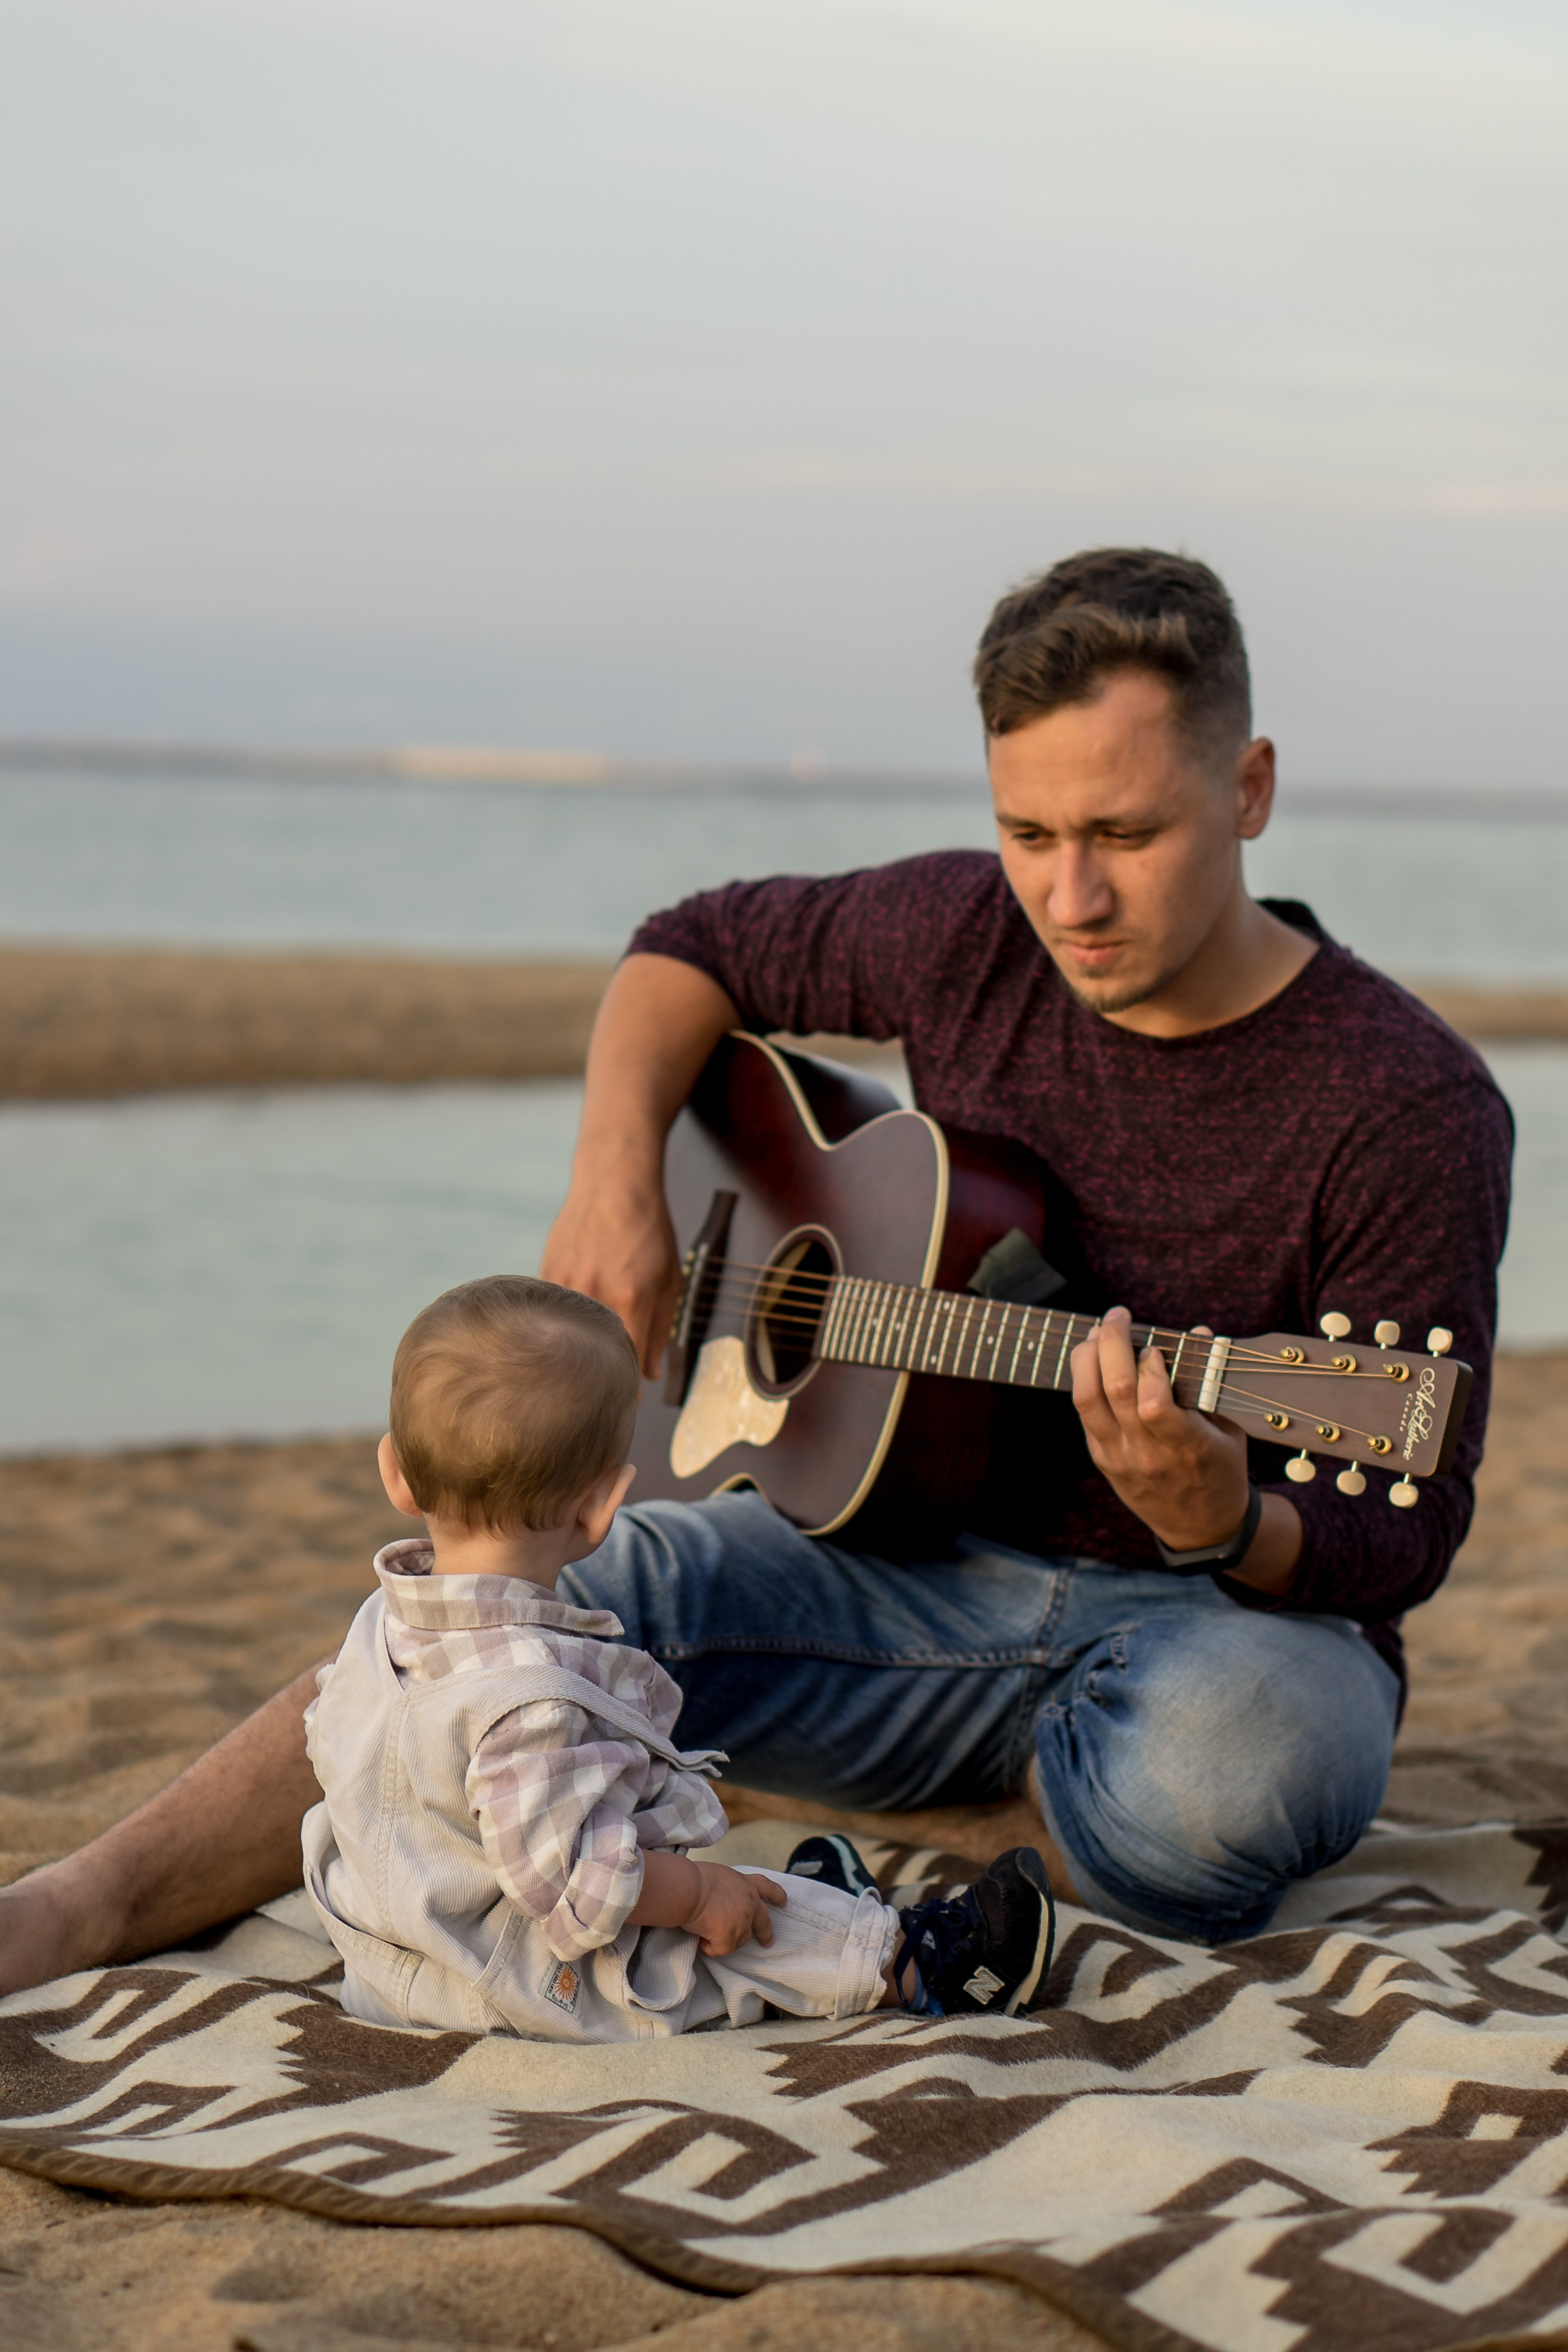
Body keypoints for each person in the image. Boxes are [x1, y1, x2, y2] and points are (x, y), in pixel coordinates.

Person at [0, 547, 1512, 1996]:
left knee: (1240, 1758)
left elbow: (1403, 1532)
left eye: (1124, 836)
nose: (1068, 898)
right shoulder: (957, 931)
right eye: (1027, 833)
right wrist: (615, 1185)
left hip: (1215, 1632)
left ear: (1246, 789)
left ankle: (933, 1824)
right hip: (897, 1570)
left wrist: (1230, 1515)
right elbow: (687, 946)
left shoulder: (1408, 1106)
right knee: (511, 1605)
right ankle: (77, 1904)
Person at [305, 1272, 1057, 2037]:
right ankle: (924, 1965)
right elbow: (582, 1892)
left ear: (394, 1470)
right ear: (603, 1508)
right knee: (736, 1928)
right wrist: (697, 1897)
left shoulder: (382, 1624)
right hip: (524, 1988)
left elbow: (340, 1749)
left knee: (740, 1888)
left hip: (395, 1957)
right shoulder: (527, 1701)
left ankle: (818, 1905)